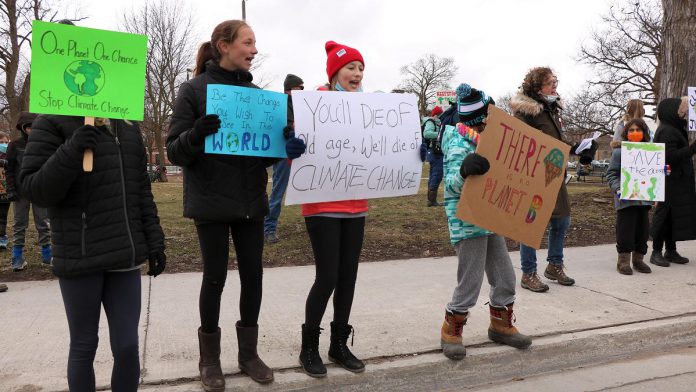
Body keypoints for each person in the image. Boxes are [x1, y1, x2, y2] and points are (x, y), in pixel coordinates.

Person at [167, 20, 302, 390]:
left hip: (249, 203)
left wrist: (285, 149)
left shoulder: (259, 96)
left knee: (253, 277)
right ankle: (209, 359)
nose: (254, 49)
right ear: (224, 45)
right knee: (215, 278)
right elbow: (174, 151)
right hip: (210, 203)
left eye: (255, 42)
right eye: (248, 42)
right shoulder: (193, 91)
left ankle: (248, 354)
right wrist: (196, 134)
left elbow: (262, 155)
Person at [19, 111, 166, 391]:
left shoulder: (127, 126)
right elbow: (35, 190)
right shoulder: (51, 122)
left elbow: (141, 190)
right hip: (79, 254)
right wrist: (72, 149)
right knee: (84, 345)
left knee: (126, 346)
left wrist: (154, 239)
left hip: (124, 253)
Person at [296, 40, 380, 379]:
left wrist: (409, 152)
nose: (357, 74)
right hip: (322, 205)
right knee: (327, 276)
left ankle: (339, 343)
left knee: (348, 277)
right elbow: (295, 154)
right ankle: (309, 347)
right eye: (350, 68)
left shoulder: (371, 112)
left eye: (361, 68)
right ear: (334, 73)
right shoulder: (313, 104)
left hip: (356, 205)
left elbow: (382, 150)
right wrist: (293, 148)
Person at [439, 83, 531, 361]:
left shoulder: (494, 140)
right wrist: (465, 170)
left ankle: (500, 325)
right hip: (467, 222)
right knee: (471, 281)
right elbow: (452, 187)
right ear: (480, 118)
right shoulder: (457, 142)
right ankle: (450, 330)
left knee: (505, 276)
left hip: (491, 219)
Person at [510, 67, 596, 292]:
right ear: (538, 87)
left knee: (562, 220)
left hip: (553, 173)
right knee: (531, 224)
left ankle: (554, 265)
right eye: (550, 82)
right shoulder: (525, 112)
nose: (555, 85)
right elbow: (523, 142)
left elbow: (556, 141)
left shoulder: (552, 109)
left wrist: (578, 149)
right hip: (533, 176)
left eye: (555, 81)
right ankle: (528, 273)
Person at [649, 97, 696, 267]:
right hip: (669, 182)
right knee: (664, 216)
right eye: (681, 110)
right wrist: (693, 148)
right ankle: (656, 251)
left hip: (677, 181)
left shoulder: (674, 129)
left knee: (672, 217)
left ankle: (671, 250)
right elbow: (670, 157)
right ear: (672, 111)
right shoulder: (667, 131)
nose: (684, 114)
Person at [606, 119, 653, 275]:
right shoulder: (620, 152)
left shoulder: (651, 153)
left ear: (644, 133)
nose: (634, 133)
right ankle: (623, 261)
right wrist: (618, 188)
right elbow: (611, 174)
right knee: (625, 231)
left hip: (644, 199)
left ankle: (638, 260)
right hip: (625, 200)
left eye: (638, 130)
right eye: (631, 130)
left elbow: (655, 173)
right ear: (626, 133)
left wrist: (663, 172)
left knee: (643, 231)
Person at [6, 112, 52, 271]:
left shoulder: (44, 143)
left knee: (43, 222)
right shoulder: (15, 145)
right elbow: (9, 169)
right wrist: (10, 189)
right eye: (28, 127)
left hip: (39, 189)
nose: (31, 129)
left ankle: (48, 255)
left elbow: (49, 167)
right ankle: (17, 258)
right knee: (19, 224)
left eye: (34, 126)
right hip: (20, 191)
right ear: (23, 128)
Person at [264, 73, 304, 243]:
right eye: (300, 88)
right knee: (278, 192)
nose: (302, 90)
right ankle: (269, 228)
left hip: (302, 152)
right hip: (284, 155)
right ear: (290, 89)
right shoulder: (279, 105)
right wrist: (289, 130)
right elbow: (278, 127)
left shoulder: (301, 105)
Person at [423, 106, 444, 206]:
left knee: (433, 175)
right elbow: (427, 134)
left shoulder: (436, 122)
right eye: (440, 114)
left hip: (436, 152)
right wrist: (441, 134)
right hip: (435, 152)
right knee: (437, 174)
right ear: (436, 114)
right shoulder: (431, 122)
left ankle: (430, 200)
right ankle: (431, 200)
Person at [0, 131, 11, 249]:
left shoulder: (10, 155)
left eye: (6, 142)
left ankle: (2, 237)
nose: (4, 144)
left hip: (5, 193)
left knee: (3, 216)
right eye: (1, 142)